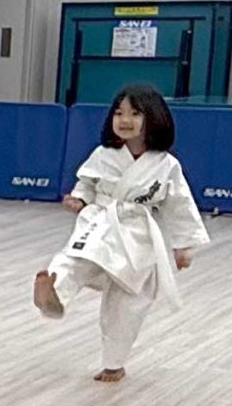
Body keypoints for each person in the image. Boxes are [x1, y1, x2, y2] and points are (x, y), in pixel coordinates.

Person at [32, 85, 207, 382]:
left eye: (134, 114)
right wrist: (79, 199)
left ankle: (114, 363)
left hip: (140, 233)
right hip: (102, 219)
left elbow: (179, 205)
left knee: (128, 302)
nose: (124, 120)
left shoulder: (166, 165)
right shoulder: (104, 154)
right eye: (119, 113)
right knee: (77, 256)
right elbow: (87, 183)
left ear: (154, 118)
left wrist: (183, 247)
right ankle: (53, 293)